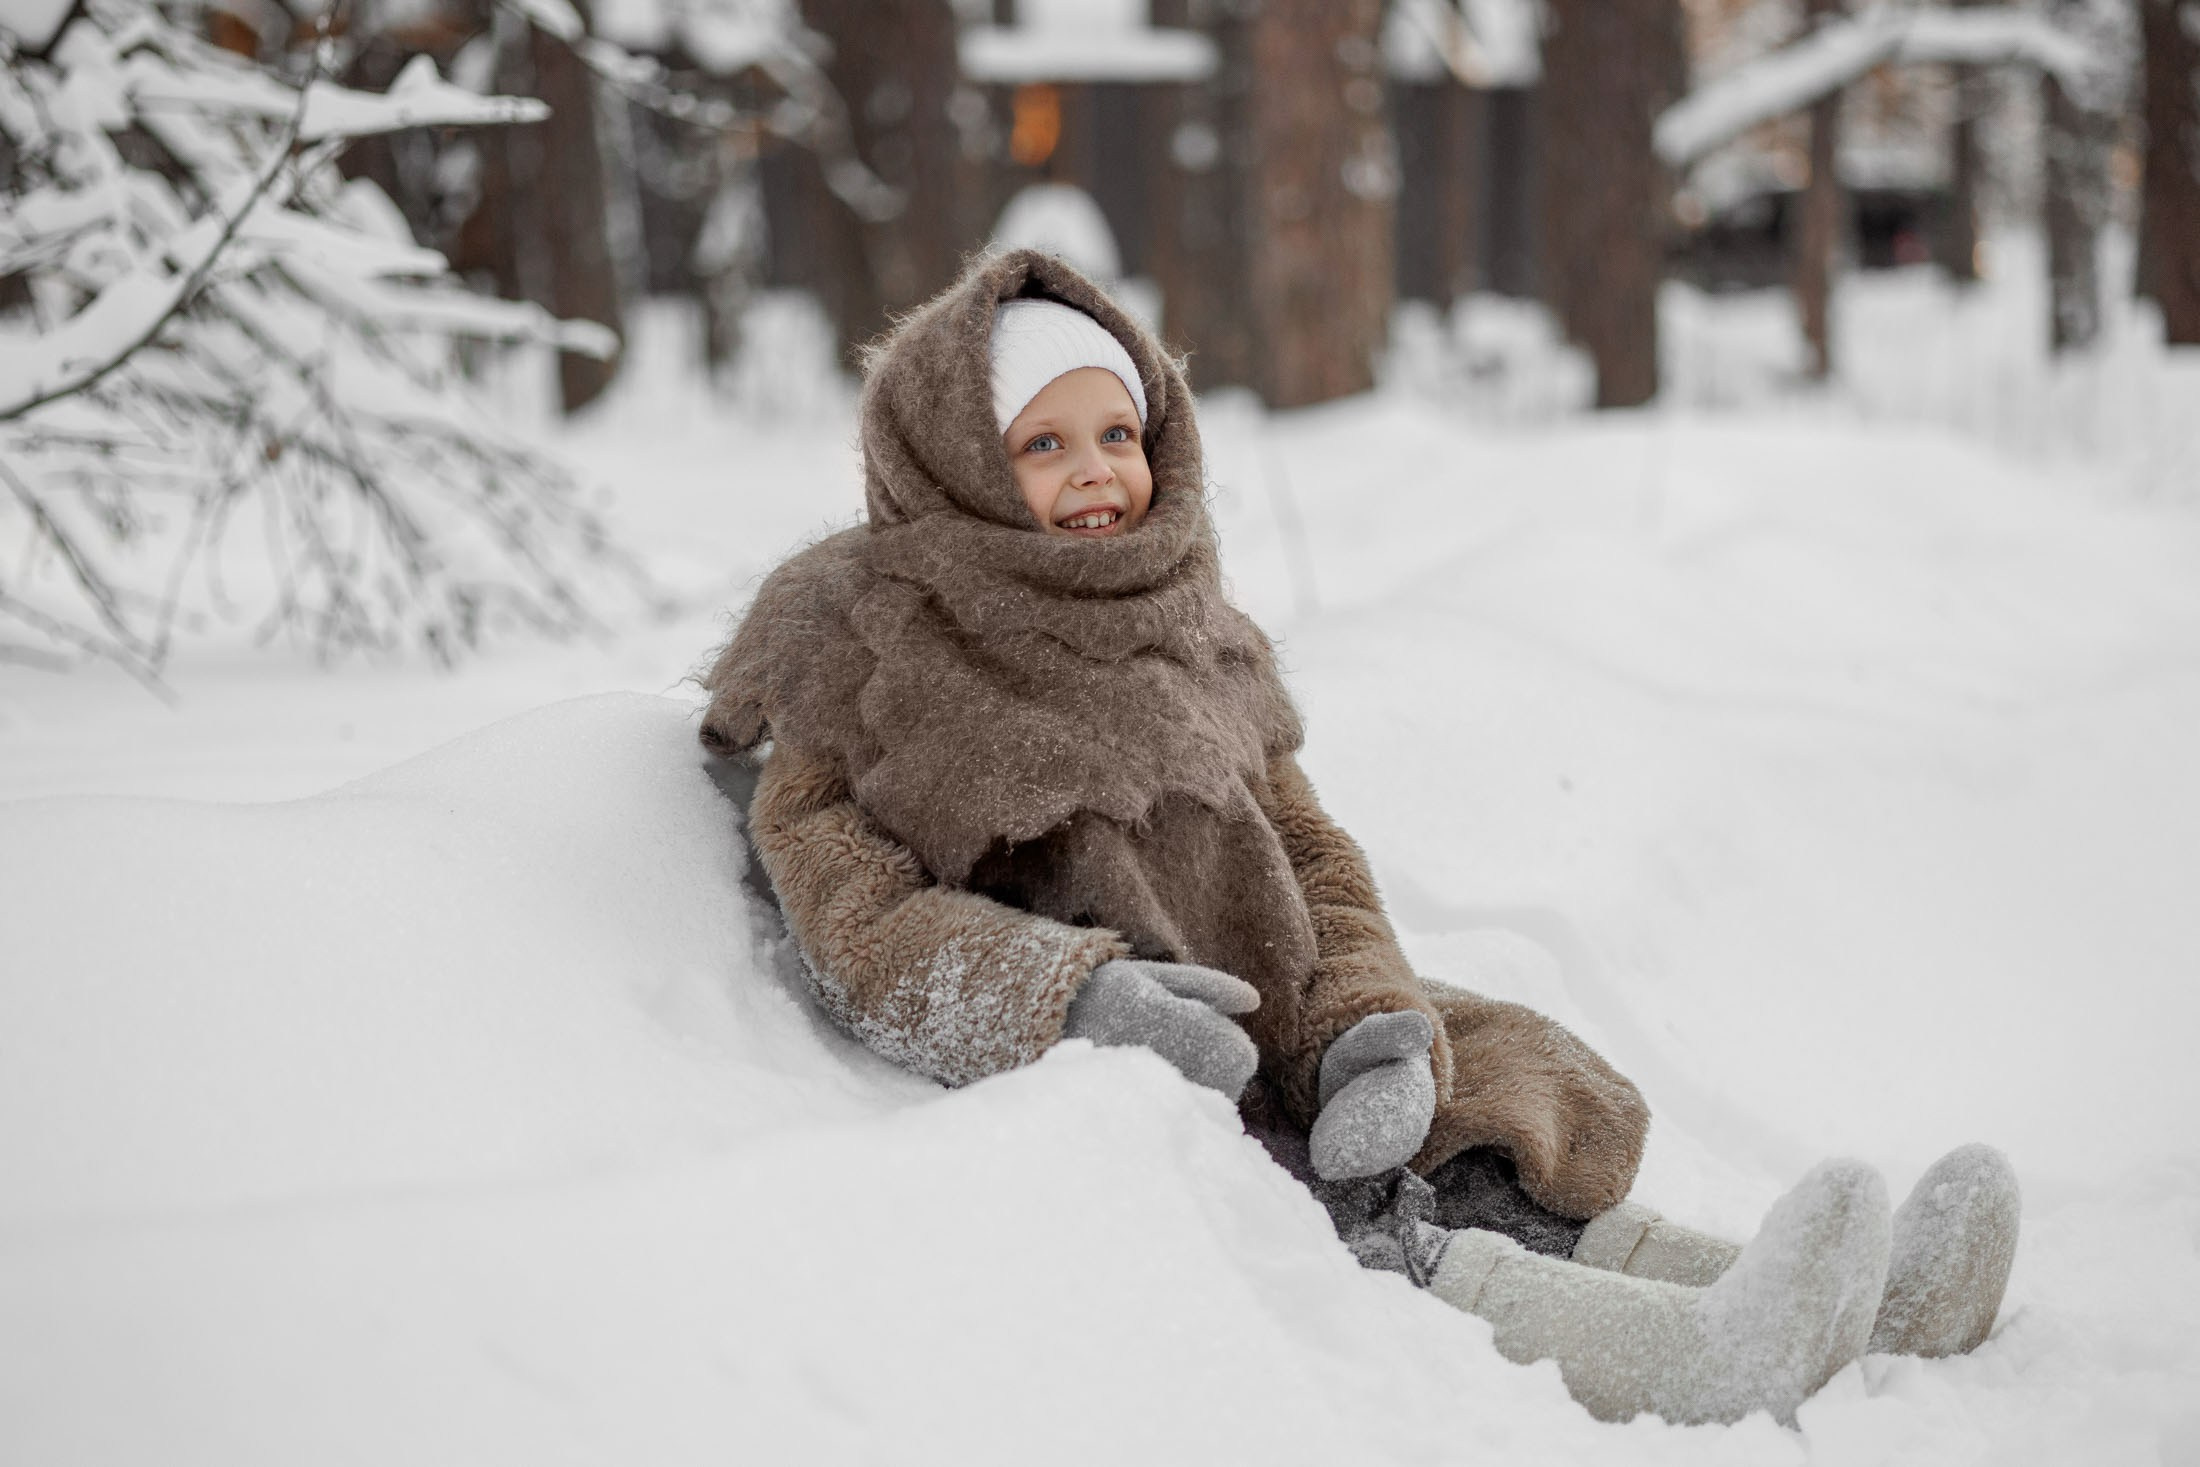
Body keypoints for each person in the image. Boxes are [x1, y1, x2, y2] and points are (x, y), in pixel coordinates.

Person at [697, 249, 2019, 1427]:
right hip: (1127, 1080)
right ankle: (1694, 1364)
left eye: (1118, 431)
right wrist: (1079, 1003)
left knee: (1484, 1105)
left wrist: (1365, 1022)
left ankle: (1821, 1302)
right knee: (1363, 1231)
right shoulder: (865, 665)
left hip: (1285, 1028)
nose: (1099, 472)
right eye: (1043, 448)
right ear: (957, 463)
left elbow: (1313, 859)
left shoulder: (1187, 631)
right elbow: (858, 926)